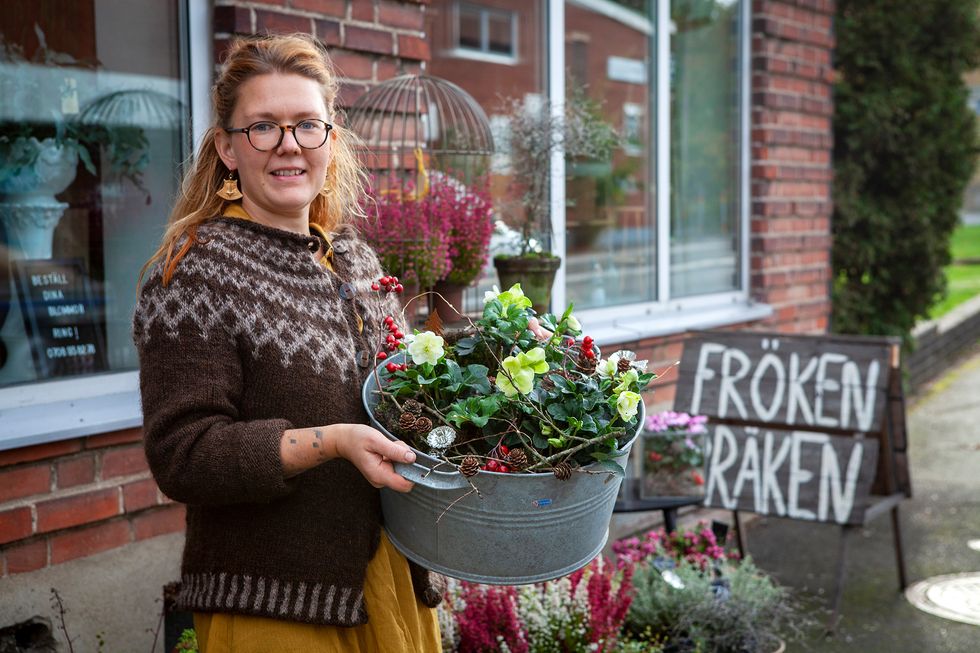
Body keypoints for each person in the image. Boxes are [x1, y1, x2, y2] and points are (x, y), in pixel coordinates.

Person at [133, 34, 442, 652]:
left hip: (388, 581)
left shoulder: (355, 259)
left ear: (330, 139)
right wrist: (332, 443)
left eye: (307, 125)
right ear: (226, 147)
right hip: (277, 605)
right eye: (263, 127)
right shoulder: (194, 271)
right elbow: (183, 453)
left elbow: (409, 400)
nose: (289, 145)